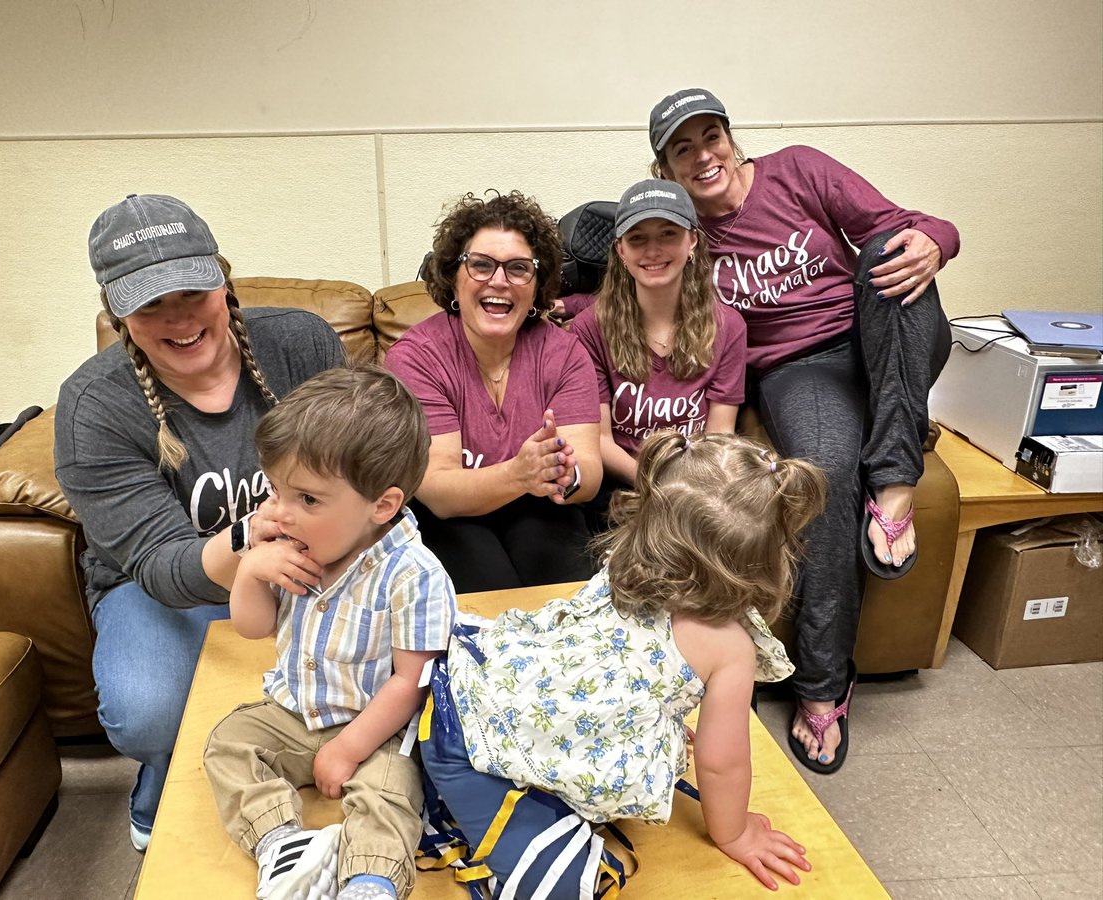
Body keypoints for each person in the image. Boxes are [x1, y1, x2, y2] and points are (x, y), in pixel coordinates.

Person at [648, 88, 959, 772]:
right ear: (666, 168)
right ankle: (823, 686)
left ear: (732, 138)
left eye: (711, 137)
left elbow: (910, 224)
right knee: (823, 474)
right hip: (800, 370)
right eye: (683, 148)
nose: (704, 156)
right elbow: (615, 268)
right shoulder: (682, 236)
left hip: (884, 332)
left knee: (887, 252)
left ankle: (898, 484)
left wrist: (935, 241)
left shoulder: (799, 170)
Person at [54, 193, 345, 851]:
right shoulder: (91, 407)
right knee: (147, 712)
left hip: (313, 558)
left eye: (191, 289)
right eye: (150, 303)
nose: (177, 317)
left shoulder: (302, 342)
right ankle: (161, 780)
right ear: (117, 314)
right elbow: (161, 564)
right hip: (166, 586)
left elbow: (357, 464)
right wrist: (250, 541)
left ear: (223, 279)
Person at [419, 431, 826, 897]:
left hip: (458, 683)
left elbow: (607, 663)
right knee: (569, 880)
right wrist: (734, 833)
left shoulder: (623, 566)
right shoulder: (730, 649)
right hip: (474, 757)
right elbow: (721, 764)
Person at [203, 366, 457, 900]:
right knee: (228, 743)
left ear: (382, 506)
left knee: (391, 791)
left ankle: (369, 881)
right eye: (276, 491)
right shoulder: (292, 546)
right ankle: (281, 844)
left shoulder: (414, 573)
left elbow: (411, 683)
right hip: (294, 711)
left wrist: (347, 749)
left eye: (308, 499)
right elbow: (254, 628)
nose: (281, 513)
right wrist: (250, 569)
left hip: (377, 728)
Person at [385, 191, 602, 592]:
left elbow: (587, 474)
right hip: (451, 516)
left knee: (568, 599)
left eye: (519, 268)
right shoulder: (416, 358)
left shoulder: (565, 352)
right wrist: (519, 473)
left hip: (543, 506)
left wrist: (566, 474)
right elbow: (438, 490)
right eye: (481, 265)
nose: (499, 281)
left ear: (537, 285)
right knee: (491, 597)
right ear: (453, 276)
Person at [569, 178, 746, 522]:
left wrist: (686, 491)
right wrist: (656, 488)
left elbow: (719, 435)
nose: (653, 250)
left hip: (698, 484)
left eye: (668, 233)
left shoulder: (729, 326)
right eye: (638, 239)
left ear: (692, 240)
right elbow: (600, 440)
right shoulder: (589, 328)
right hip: (620, 486)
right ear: (620, 250)